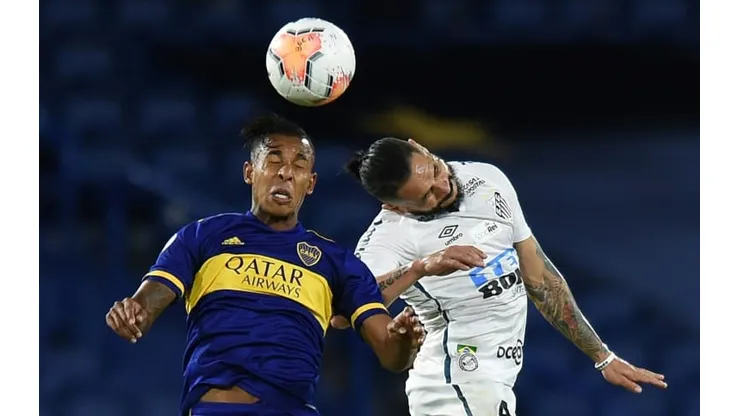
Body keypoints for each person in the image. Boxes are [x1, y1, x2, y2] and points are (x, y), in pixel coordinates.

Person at [105, 116, 476, 416]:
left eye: (299, 165)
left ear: (310, 184)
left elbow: (390, 353)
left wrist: (404, 340)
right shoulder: (203, 236)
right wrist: (134, 312)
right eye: (274, 161)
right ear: (250, 172)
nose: (285, 172)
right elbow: (146, 304)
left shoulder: (337, 262)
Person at [335, 137, 669, 416]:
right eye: (426, 197)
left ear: (420, 146)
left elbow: (540, 279)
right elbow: (341, 315)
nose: (443, 186)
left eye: (435, 169)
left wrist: (602, 357)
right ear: (394, 206)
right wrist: (418, 268)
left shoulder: (485, 178)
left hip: (492, 383)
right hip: (456, 384)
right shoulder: (389, 237)